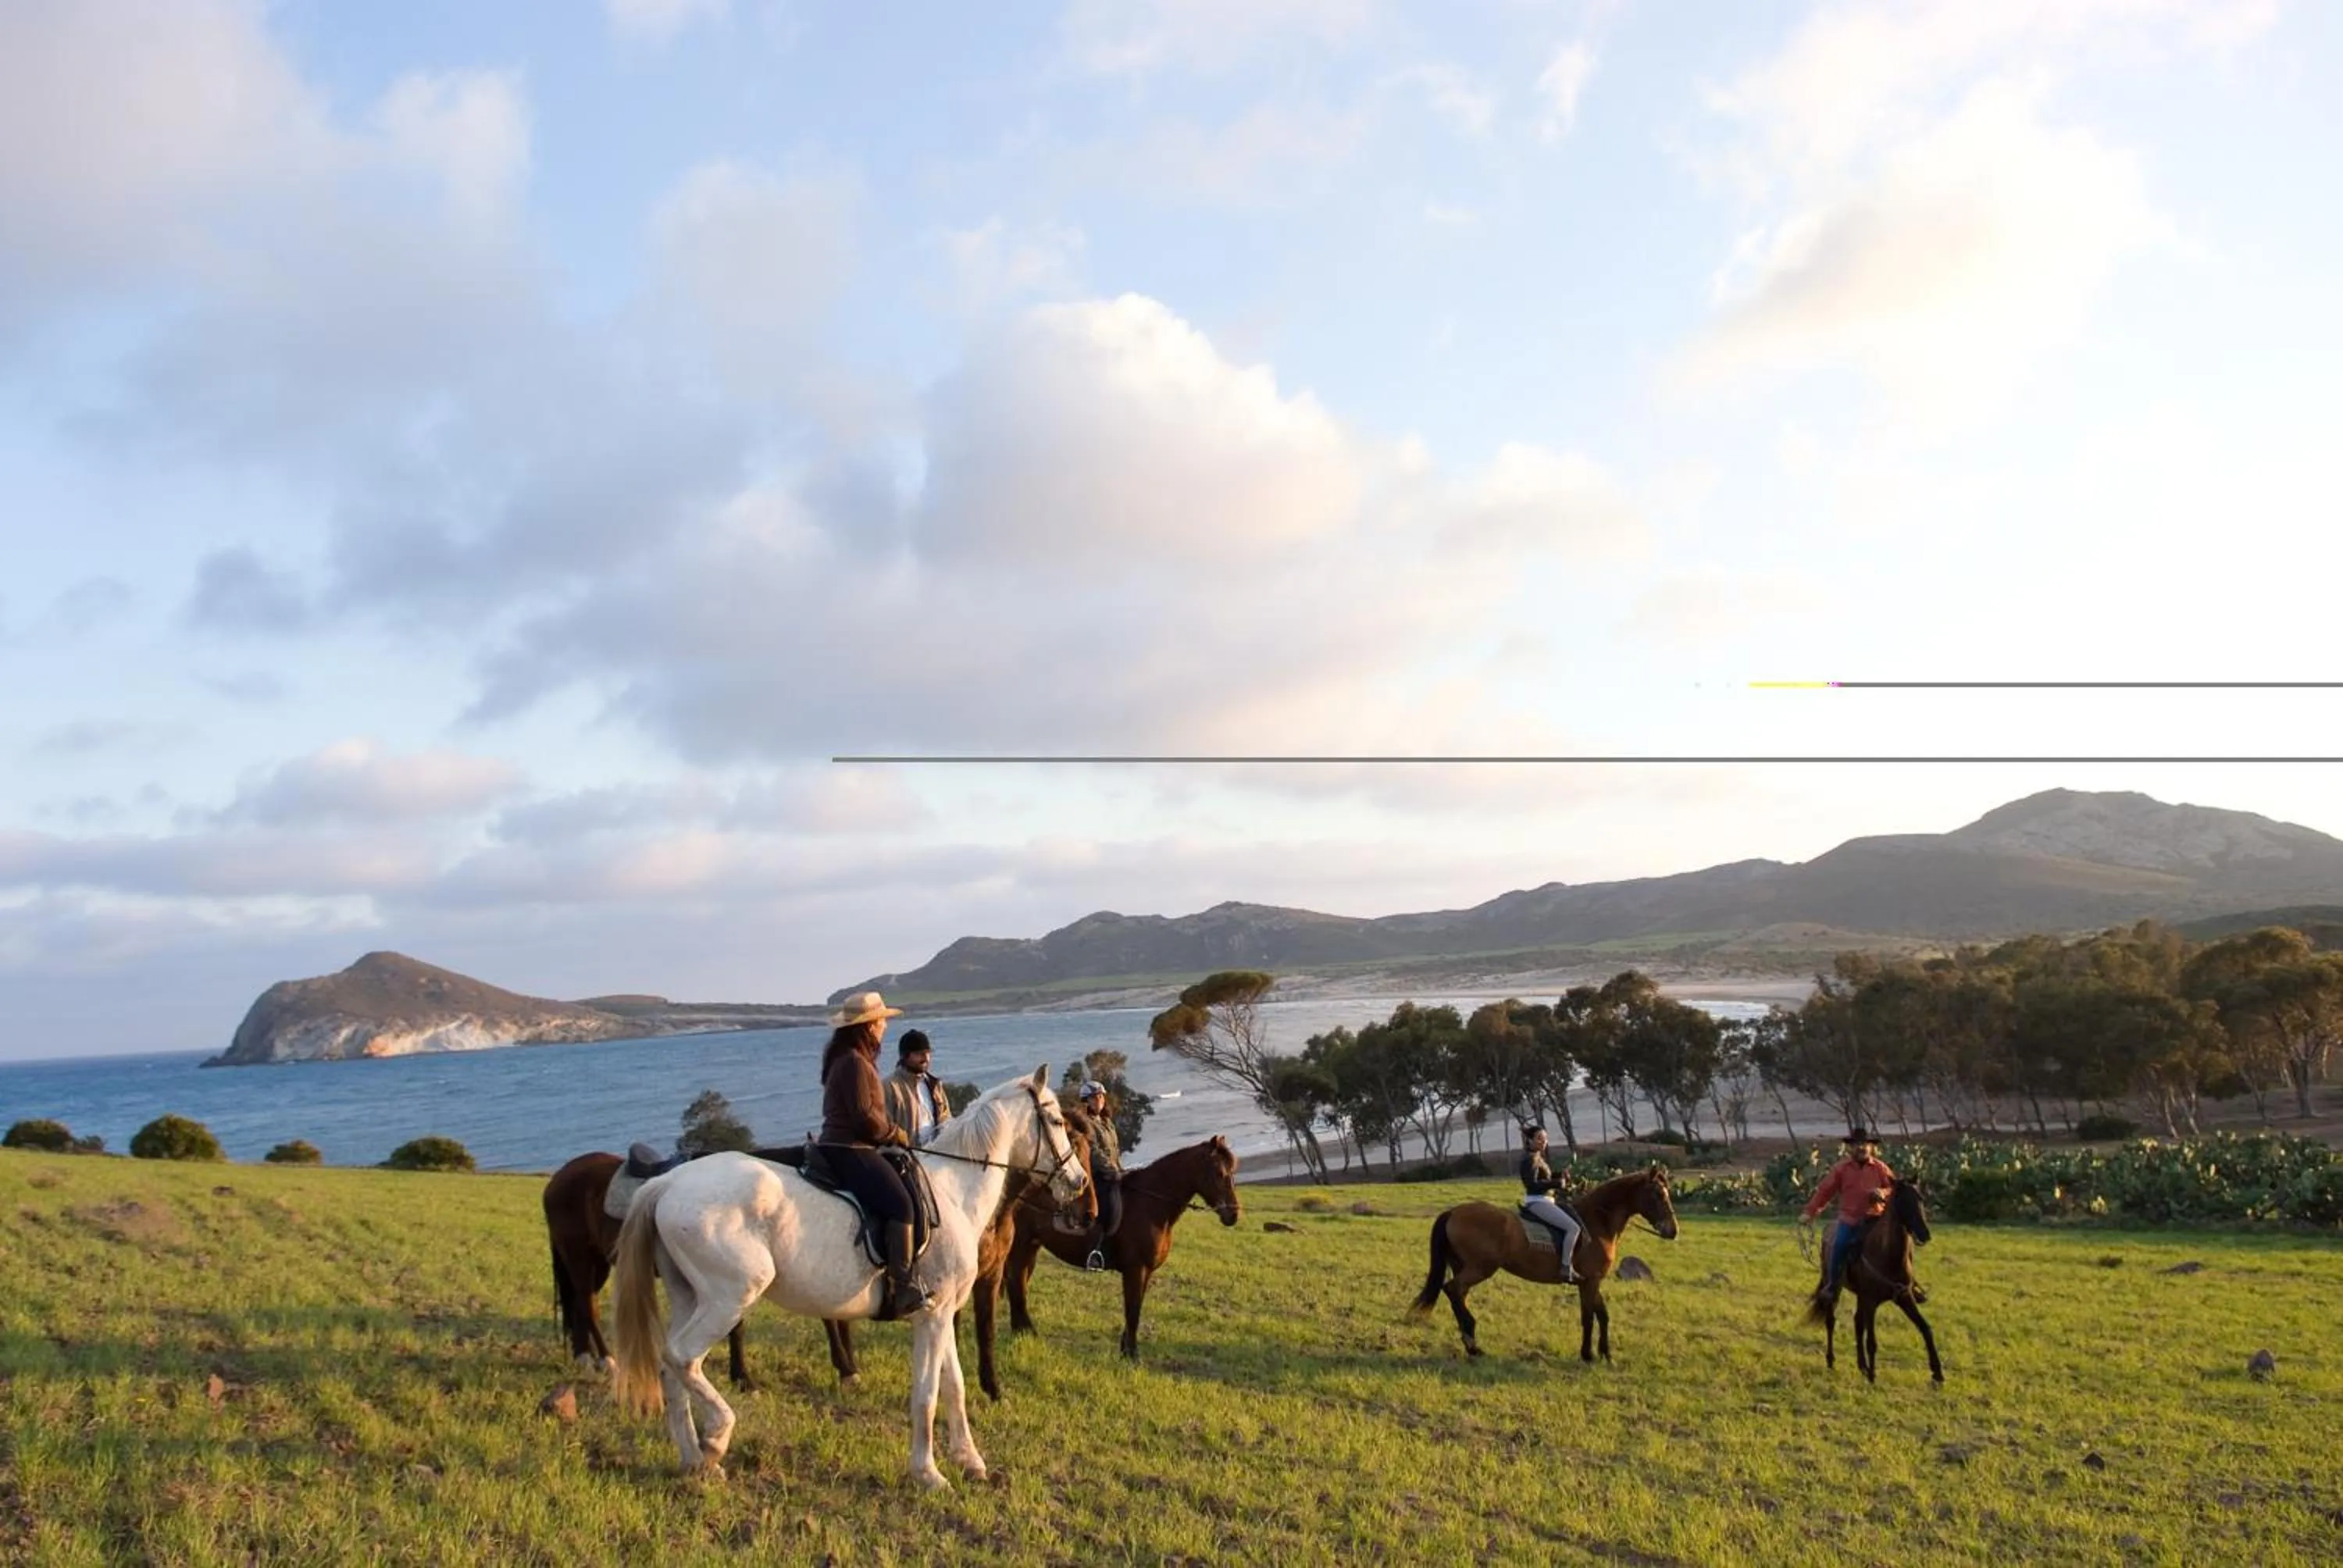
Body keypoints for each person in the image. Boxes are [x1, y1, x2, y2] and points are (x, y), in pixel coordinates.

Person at [815, 989, 929, 1320]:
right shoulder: (854, 1062)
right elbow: (866, 1118)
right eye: (880, 1022)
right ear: (867, 1026)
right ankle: (903, 1287)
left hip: (841, 1144)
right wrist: (896, 1134)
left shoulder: (846, 1058)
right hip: (850, 1148)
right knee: (901, 1204)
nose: (884, 1028)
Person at [1801, 1128, 1895, 1309]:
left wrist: (1882, 1192)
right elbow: (1824, 1192)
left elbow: (1895, 1188)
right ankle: (1832, 1284)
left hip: (1875, 1219)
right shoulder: (1841, 1169)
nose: (1861, 1148)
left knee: (1900, 1243)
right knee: (1840, 1244)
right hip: (1850, 1219)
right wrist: (1810, 1212)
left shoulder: (1881, 1168)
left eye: (1865, 1144)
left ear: (1871, 1147)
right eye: (1857, 1144)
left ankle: (1907, 1285)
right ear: (1850, 1148)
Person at [1517, 1125, 1582, 1285]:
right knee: (1573, 1228)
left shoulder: (1538, 1157)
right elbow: (1532, 1185)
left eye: (1545, 1138)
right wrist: (1556, 1183)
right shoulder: (1530, 1159)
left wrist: (1560, 1175)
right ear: (1530, 1140)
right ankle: (1566, 1268)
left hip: (1546, 1200)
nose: (1544, 1141)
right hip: (1537, 1202)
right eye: (1539, 1138)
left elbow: (1544, 1177)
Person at [1076, 1079, 1123, 1272]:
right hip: (1097, 1175)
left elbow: (1114, 1150)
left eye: (1101, 1096)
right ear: (1086, 1101)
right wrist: (1113, 1170)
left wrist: (1120, 1169)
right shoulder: (1086, 1124)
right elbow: (1094, 1152)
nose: (1099, 1100)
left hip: (1113, 1172)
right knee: (1111, 1204)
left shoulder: (1107, 1123)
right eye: (1095, 1097)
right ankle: (1097, 1252)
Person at [884, 1028, 952, 1147]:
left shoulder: (935, 1085)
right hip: (905, 1157)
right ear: (905, 1057)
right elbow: (884, 1128)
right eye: (919, 1054)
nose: (926, 1058)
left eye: (928, 1053)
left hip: (937, 1155)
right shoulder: (889, 1087)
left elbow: (946, 1119)